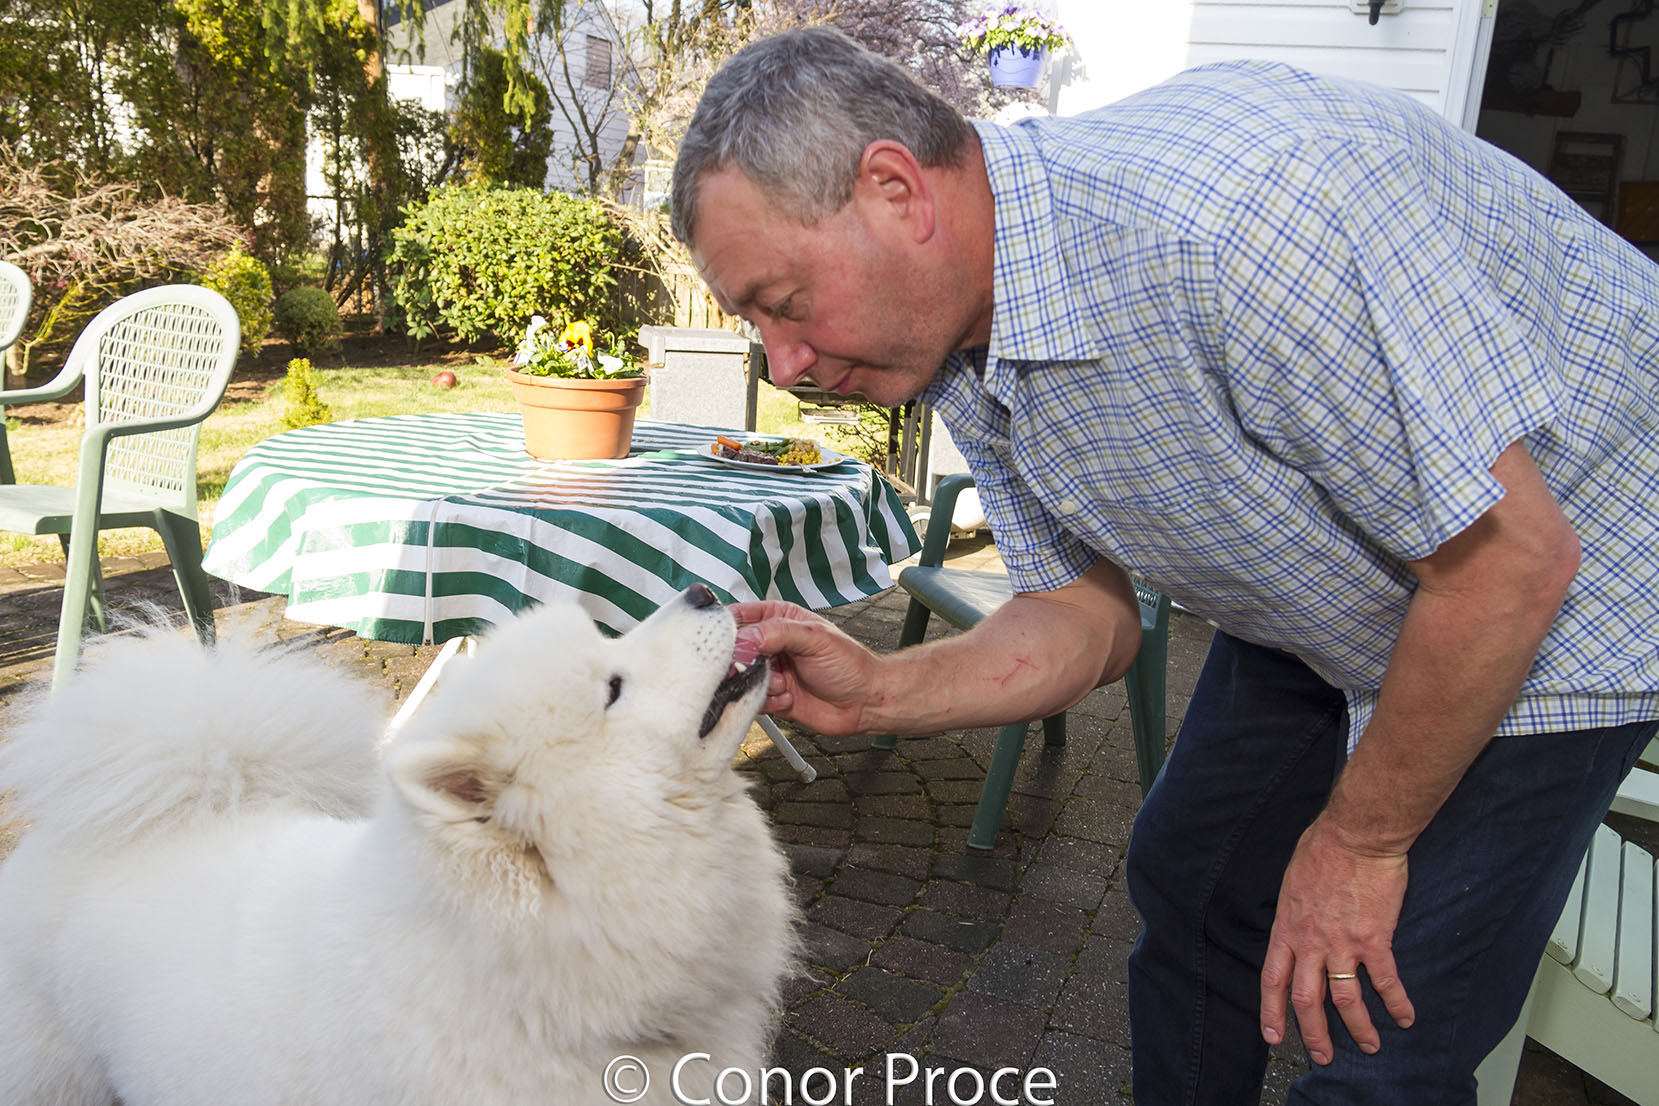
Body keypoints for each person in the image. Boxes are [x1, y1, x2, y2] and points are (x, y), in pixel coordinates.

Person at [670, 26, 1659, 1106]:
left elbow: (1510, 566)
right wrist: (880, 690)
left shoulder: (1245, 218)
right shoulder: (963, 337)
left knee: (1377, 1035)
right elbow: (1084, 616)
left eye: (784, 302)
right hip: (1357, 589)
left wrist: (1360, 842)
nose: (784, 364)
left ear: (896, 191)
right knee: (1193, 883)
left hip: (1573, 590)